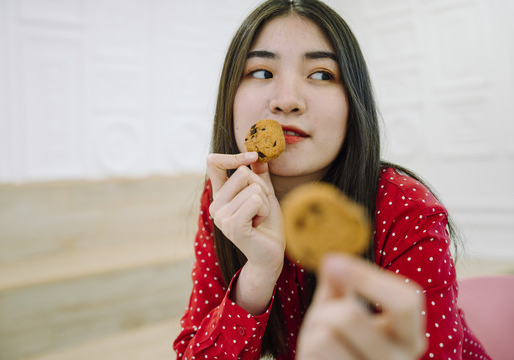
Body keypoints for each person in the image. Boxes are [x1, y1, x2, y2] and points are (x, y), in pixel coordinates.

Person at [173, 0, 490, 359]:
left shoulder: (405, 210)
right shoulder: (230, 197)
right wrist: (258, 273)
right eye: (261, 72)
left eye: (322, 74)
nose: (287, 101)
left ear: (354, 102)